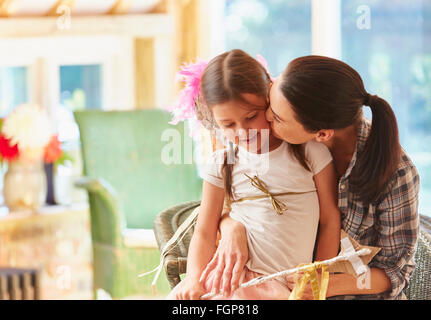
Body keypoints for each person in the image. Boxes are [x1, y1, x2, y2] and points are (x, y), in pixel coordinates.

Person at [205, 55, 420, 300]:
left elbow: (395, 271)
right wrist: (232, 227)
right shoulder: (291, 107)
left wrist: (324, 285)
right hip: (274, 285)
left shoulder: (396, 174)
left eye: (276, 118)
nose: (265, 120)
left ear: (321, 134)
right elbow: (233, 199)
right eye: (268, 107)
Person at [166, 49, 341, 300]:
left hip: (284, 285)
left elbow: (330, 219)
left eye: (251, 117)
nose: (243, 131)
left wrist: (319, 274)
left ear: (269, 100)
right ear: (215, 122)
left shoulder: (310, 152)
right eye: (228, 124)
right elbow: (204, 231)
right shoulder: (221, 164)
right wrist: (194, 279)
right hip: (230, 280)